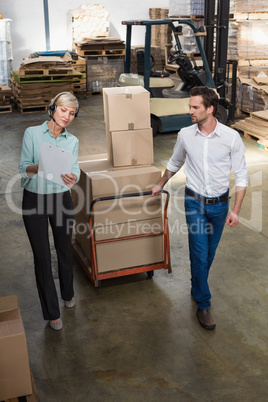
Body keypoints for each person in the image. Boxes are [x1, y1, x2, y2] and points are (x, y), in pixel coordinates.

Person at [152, 86, 248, 330]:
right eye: (190, 107)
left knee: (208, 255)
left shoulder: (230, 137)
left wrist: (235, 210)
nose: (190, 111)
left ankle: (197, 288)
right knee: (198, 253)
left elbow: (242, 176)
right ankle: (203, 305)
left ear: (210, 109)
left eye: (195, 107)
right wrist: (160, 183)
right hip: (194, 202)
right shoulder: (185, 134)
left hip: (220, 206)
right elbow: (175, 161)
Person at [19, 92, 81, 331]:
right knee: (42, 257)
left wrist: (72, 177)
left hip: (60, 199)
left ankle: (67, 293)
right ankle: (52, 312)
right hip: (34, 200)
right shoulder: (32, 134)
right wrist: (39, 167)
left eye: (72, 113)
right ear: (53, 108)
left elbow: (74, 170)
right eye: (64, 110)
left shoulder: (72, 141)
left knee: (65, 249)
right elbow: (23, 169)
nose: (67, 116)